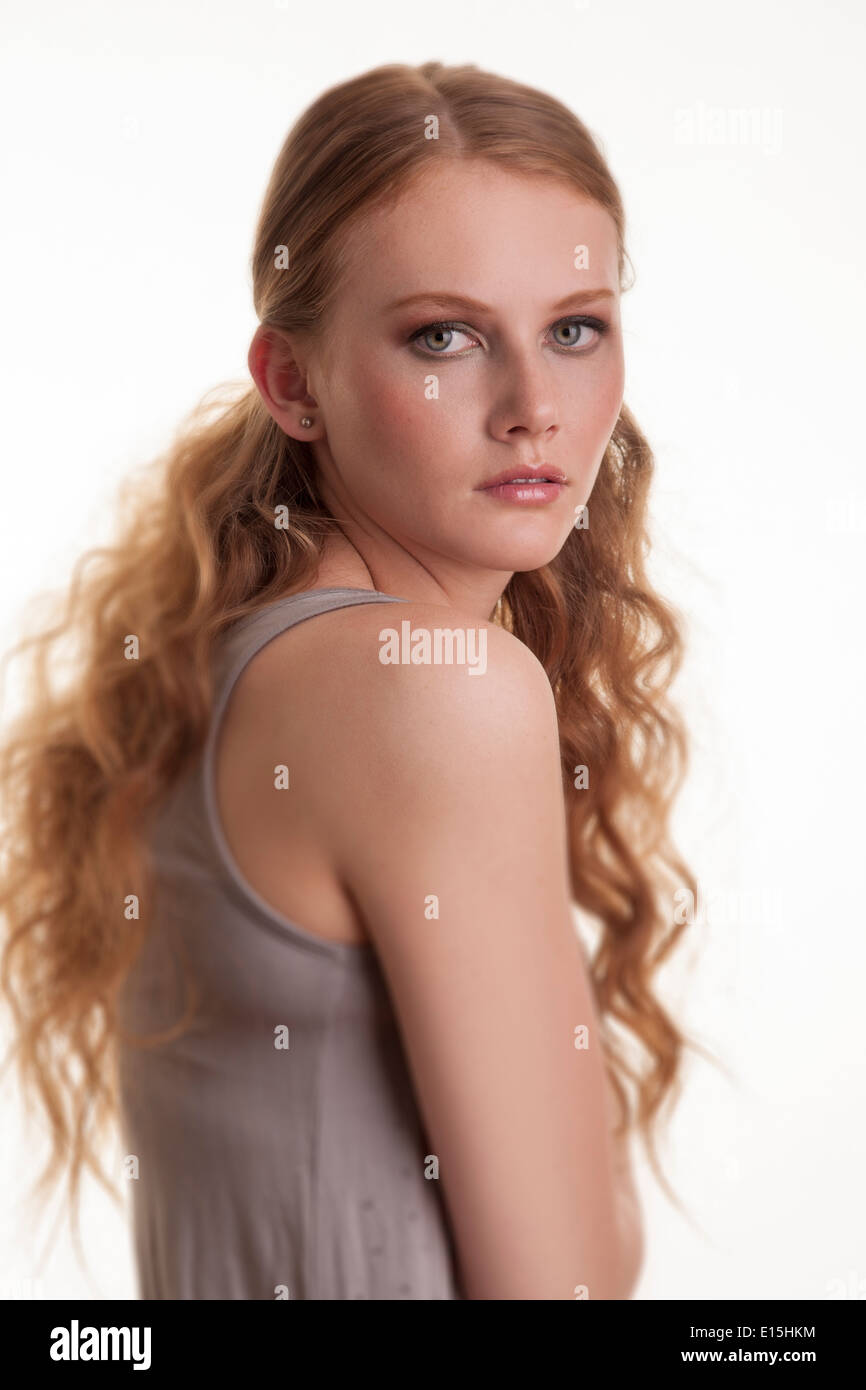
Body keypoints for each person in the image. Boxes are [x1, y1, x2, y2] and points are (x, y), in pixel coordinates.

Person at [0, 60, 700, 1300]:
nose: (533, 406)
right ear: (293, 381)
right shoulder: (432, 690)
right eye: (444, 335)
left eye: (574, 328)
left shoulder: (223, 652)